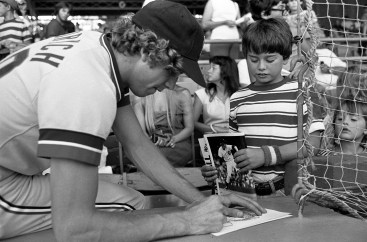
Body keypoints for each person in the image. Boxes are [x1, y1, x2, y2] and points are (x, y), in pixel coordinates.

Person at [0, 1, 265, 240]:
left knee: (130, 204)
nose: (172, 84)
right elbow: (75, 228)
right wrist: (187, 221)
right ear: (148, 51)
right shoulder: (87, 85)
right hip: (5, 184)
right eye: (172, 71)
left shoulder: (97, 50)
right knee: (116, 213)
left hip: (11, 174)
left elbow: (137, 144)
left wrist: (203, 201)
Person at [202, 18, 324, 196]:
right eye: (253, 59)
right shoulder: (238, 98)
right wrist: (216, 168)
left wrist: (265, 155)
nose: (261, 67)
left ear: (286, 57)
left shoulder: (303, 91)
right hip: (246, 191)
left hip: (289, 190)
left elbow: (313, 145)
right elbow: (233, 152)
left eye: (270, 59)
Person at [133, 86, 194, 167]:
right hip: (151, 143)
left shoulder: (182, 93)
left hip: (178, 141)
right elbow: (141, 132)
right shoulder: (139, 96)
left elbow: (189, 128)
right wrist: (154, 141)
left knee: (153, 159)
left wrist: (173, 139)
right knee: (147, 156)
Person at [193, 55, 240, 135]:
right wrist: (214, 128)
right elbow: (192, 122)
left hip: (236, 137)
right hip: (211, 139)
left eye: (213, 68)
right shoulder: (202, 94)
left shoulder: (240, 94)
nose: (209, 71)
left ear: (225, 71)